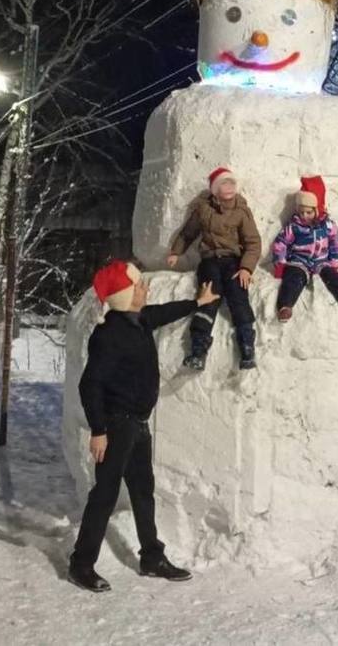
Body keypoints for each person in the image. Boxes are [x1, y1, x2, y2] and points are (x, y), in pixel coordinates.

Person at [69, 259, 220, 593]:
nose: (145, 288)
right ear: (124, 294)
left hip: (137, 424)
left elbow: (163, 311)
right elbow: (89, 384)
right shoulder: (108, 335)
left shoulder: (139, 320)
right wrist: (98, 430)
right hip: (115, 425)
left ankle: (151, 556)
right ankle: (81, 564)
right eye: (138, 286)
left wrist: (198, 303)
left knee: (142, 491)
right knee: (104, 495)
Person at [167, 167, 261, 371]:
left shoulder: (241, 211)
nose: (228, 188)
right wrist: (176, 252)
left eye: (231, 184)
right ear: (215, 189)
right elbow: (188, 233)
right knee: (208, 296)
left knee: (238, 294)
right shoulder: (203, 209)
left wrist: (246, 268)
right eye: (223, 184)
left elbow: (253, 242)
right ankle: (198, 348)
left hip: (233, 261)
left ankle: (247, 345)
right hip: (210, 260)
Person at [272, 176, 338, 327]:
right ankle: (285, 306)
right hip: (299, 261)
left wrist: (334, 265)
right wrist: (280, 264)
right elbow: (280, 243)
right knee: (293, 278)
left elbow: (335, 244)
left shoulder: (328, 226)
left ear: (317, 210)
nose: (304, 216)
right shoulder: (294, 226)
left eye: (308, 213)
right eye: (301, 212)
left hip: (321, 262)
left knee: (335, 280)